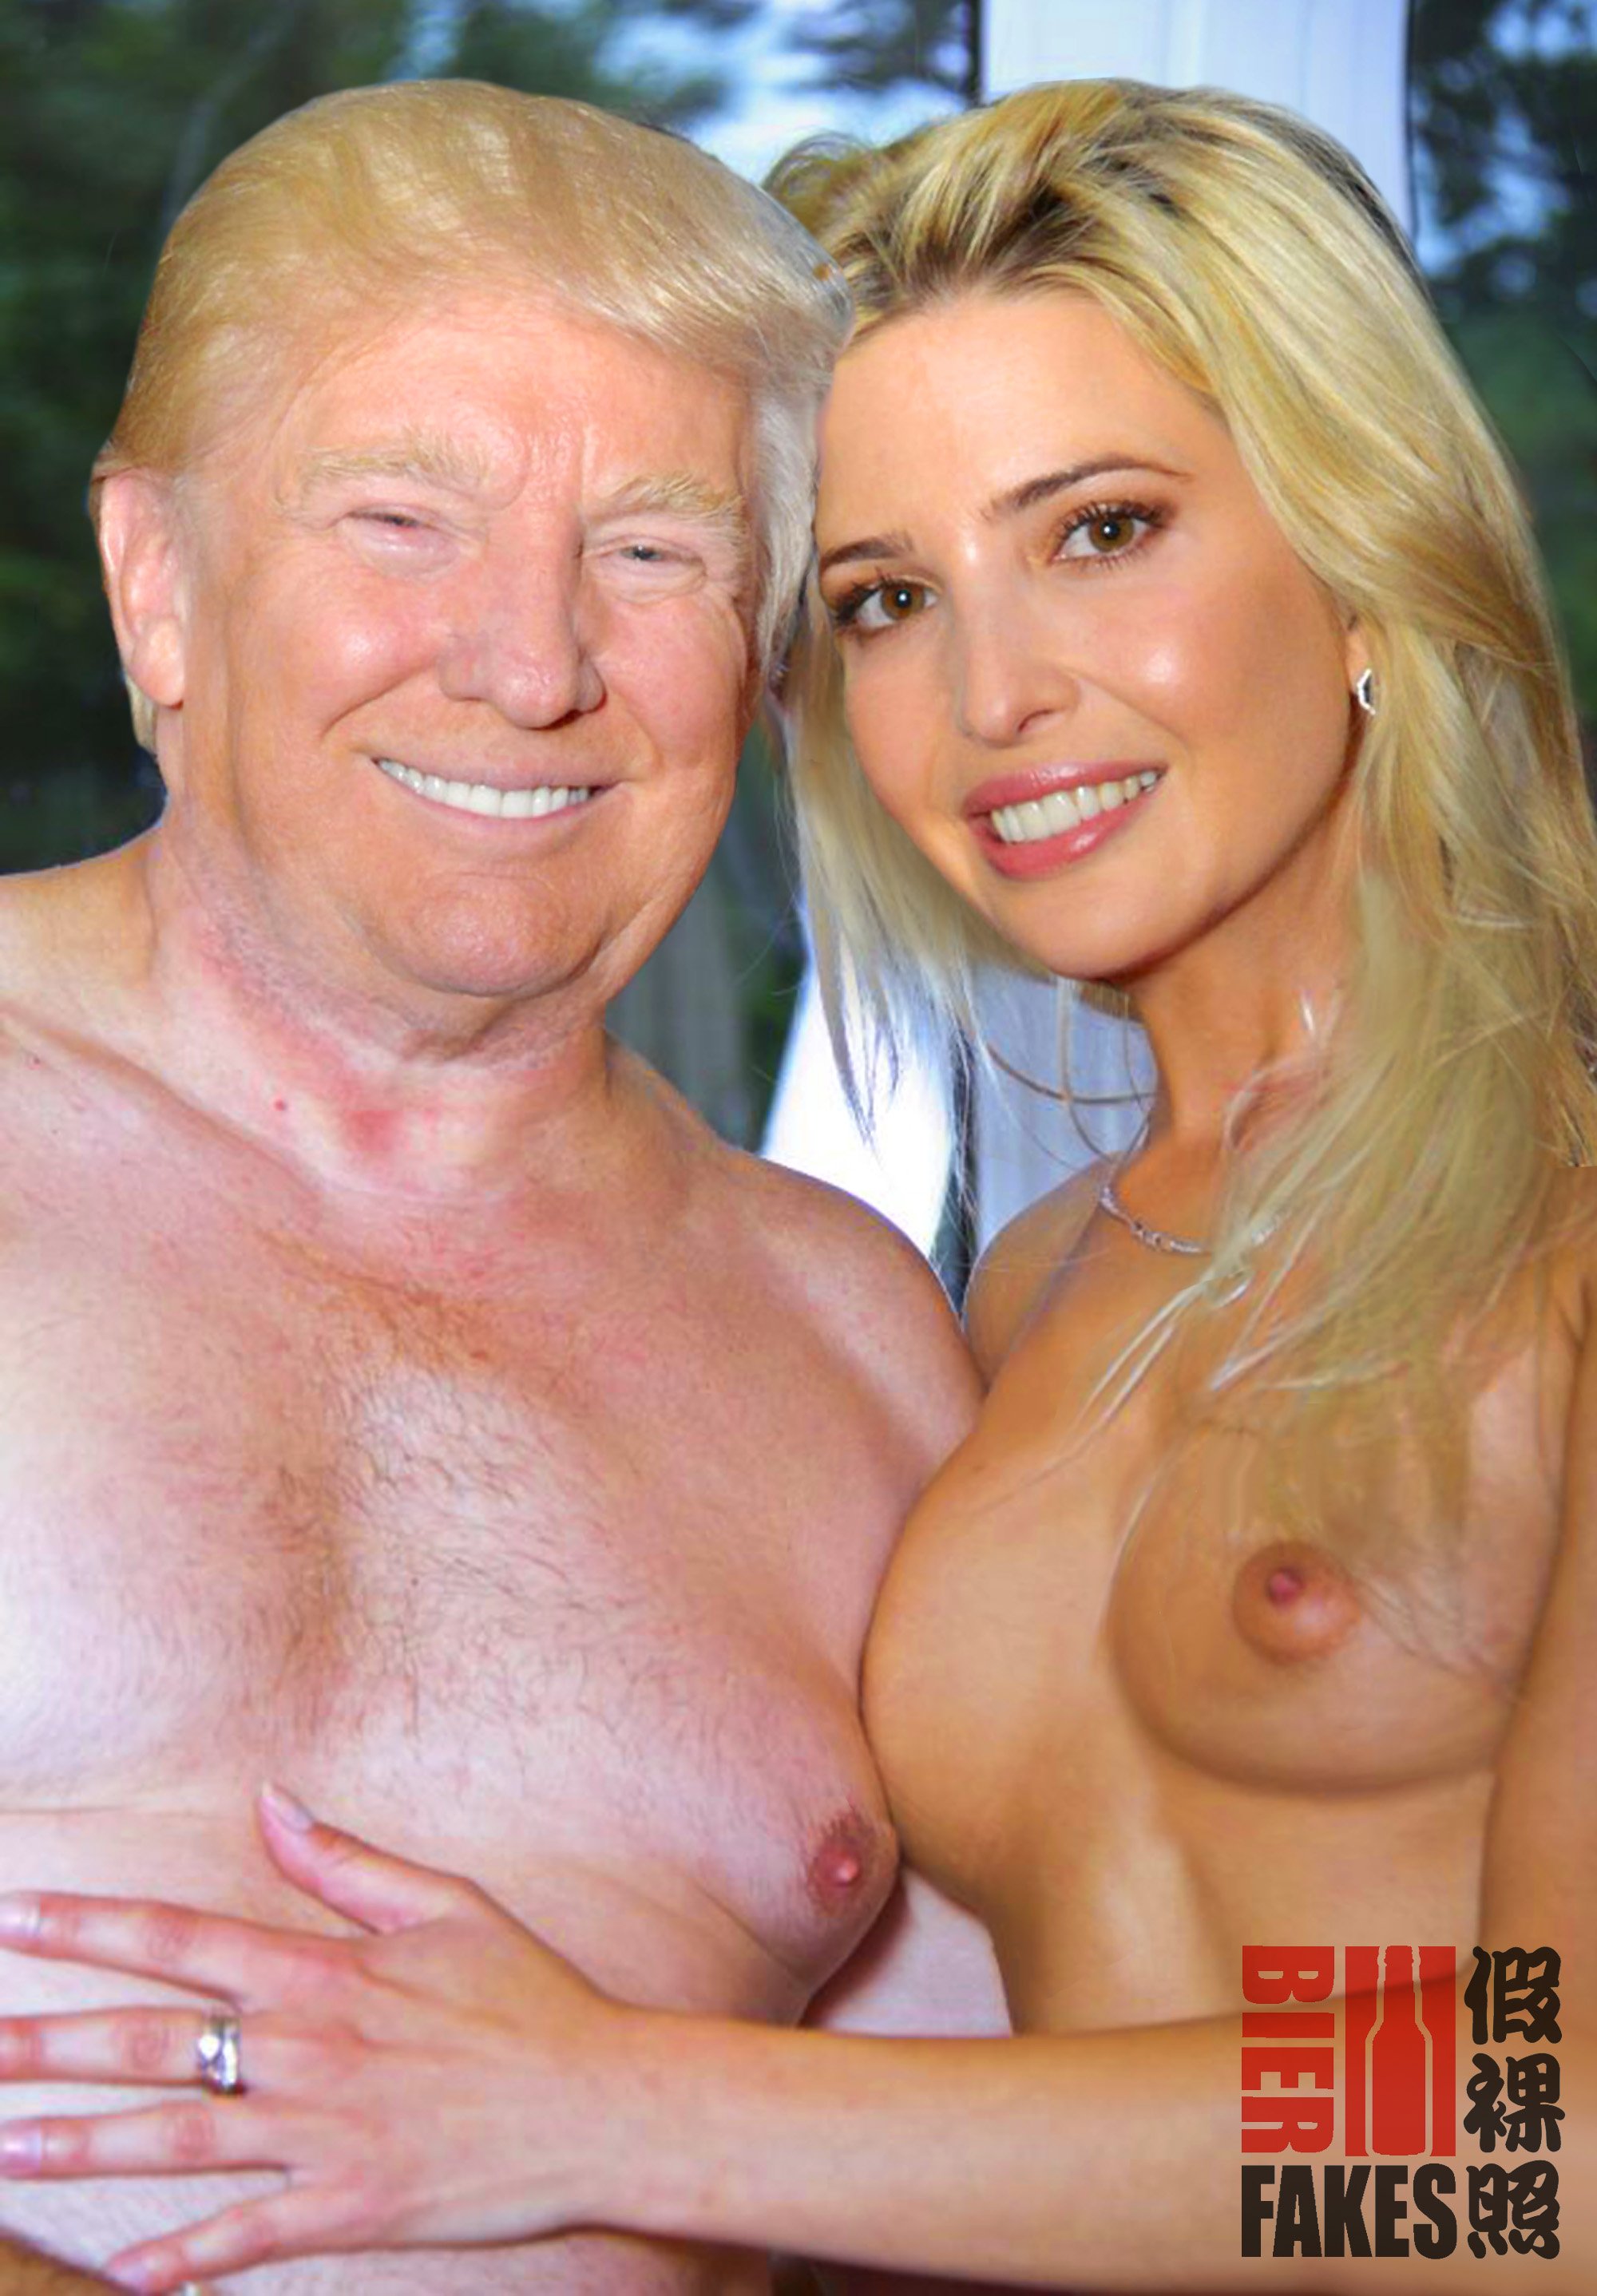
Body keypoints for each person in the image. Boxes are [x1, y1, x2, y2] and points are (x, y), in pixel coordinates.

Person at [3, 73, 1595, 2292]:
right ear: (152, 587)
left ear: (1366, 552)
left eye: (1103, 531)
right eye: (888, 595)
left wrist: (610, 2102)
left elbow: (1548, 2146)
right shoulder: (1031, 1302)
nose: (998, 691)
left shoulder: (1493, 1246)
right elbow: (1024, 2085)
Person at [0, 77, 1009, 2296]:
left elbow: (1313, 2142)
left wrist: (1509, 2090)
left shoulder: (869, 1346)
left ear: (758, 651)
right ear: (156, 585)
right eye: (400, 518)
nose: (533, 664)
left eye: (653, 552)